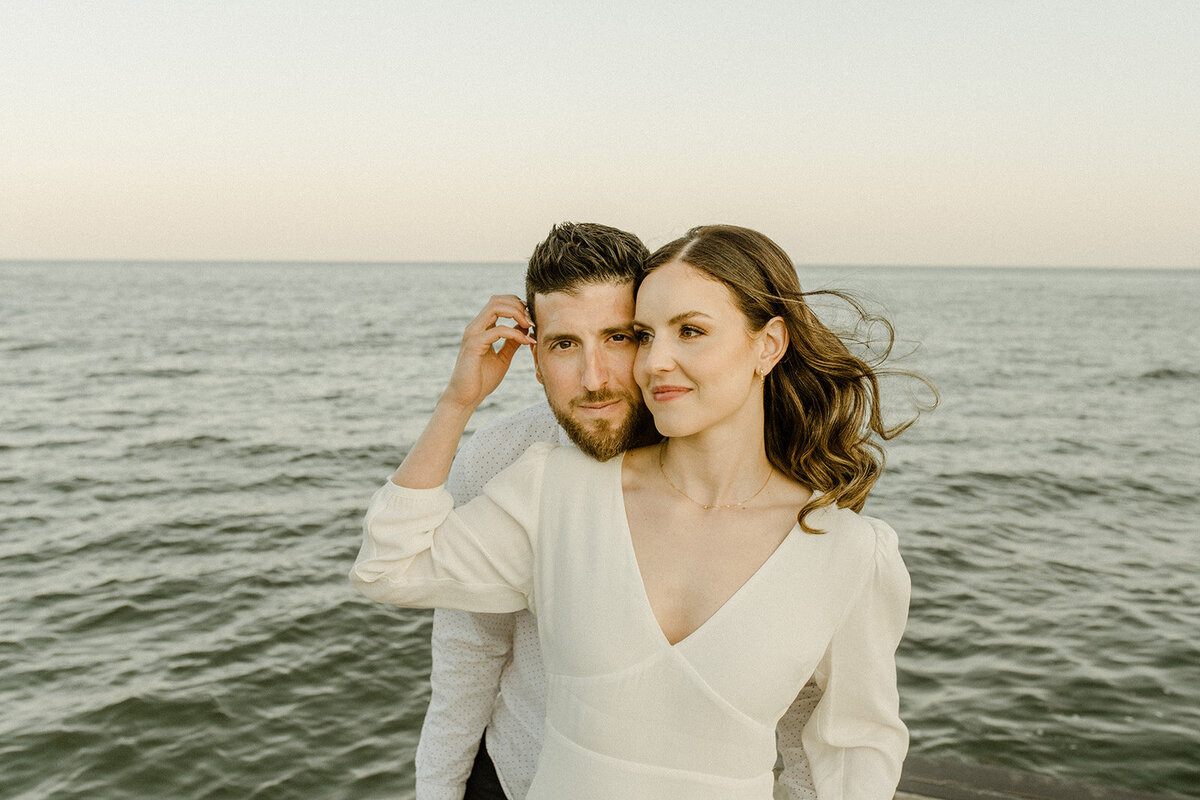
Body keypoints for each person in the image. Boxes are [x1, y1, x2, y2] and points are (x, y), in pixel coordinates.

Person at [354, 224, 923, 799]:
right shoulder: (552, 483)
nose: (654, 363)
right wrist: (458, 401)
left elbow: (851, 756)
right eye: (647, 336)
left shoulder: (849, 551)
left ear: (768, 345)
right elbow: (399, 574)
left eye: (689, 331)